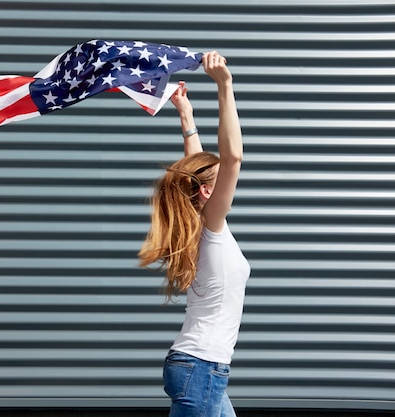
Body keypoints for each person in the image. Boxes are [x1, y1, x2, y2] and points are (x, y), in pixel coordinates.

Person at [138, 51, 250, 417]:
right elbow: (231, 159)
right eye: (219, 185)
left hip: (200, 367)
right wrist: (224, 86)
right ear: (207, 193)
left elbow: (195, 170)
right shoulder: (210, 226)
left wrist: (185, 114)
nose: (229, 187)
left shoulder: (203, 225)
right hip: (202, 368)